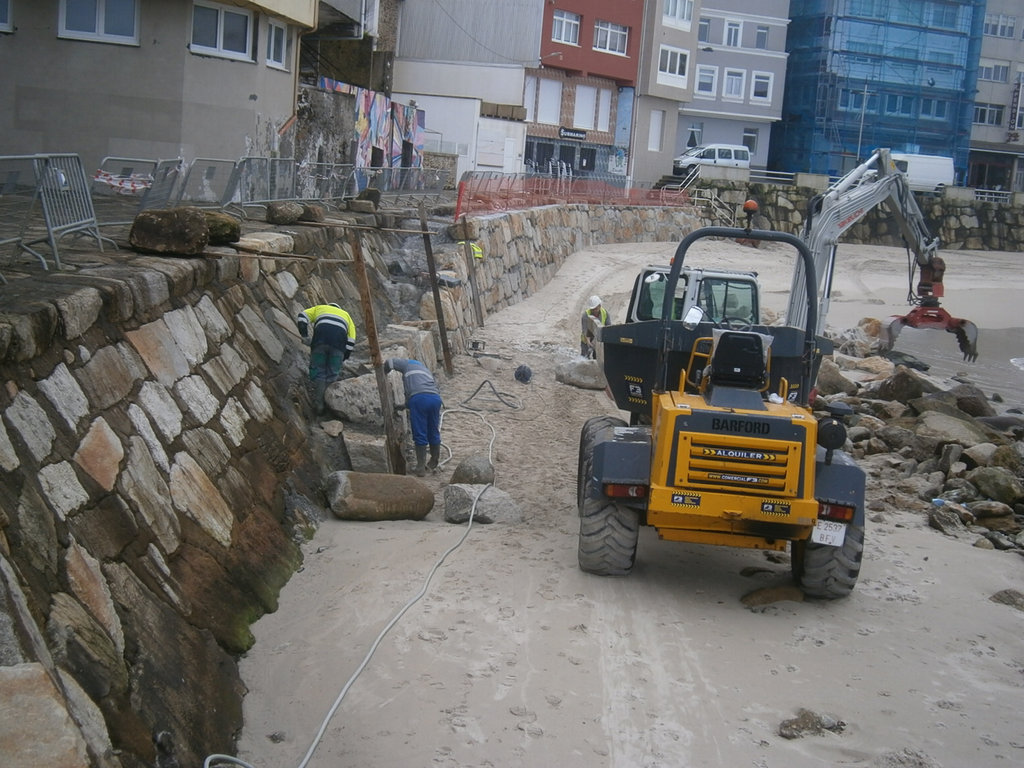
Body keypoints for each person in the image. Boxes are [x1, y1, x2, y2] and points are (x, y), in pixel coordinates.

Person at [384, 358, 443, 476]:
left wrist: (383, 374)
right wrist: (403, 406)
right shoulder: (425, 370)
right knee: (433, 430)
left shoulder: (406, 364)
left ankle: (420, 468)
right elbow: (423, 390)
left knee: (420, 432)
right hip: (435, 399)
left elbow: (389, 363)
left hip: (419, 400)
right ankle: (433, 462)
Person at [296, 302, 356, 415]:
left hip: (319, 343)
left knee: (319, 373)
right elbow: (351, 340)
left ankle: (319, 405)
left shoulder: (319, 308)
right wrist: (344, 356)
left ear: (329, 306)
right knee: (332, 374)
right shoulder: (346, 315)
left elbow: (302, 317)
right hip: (338, 347)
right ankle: (329, 405)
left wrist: (304, 336)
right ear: (339, 309)